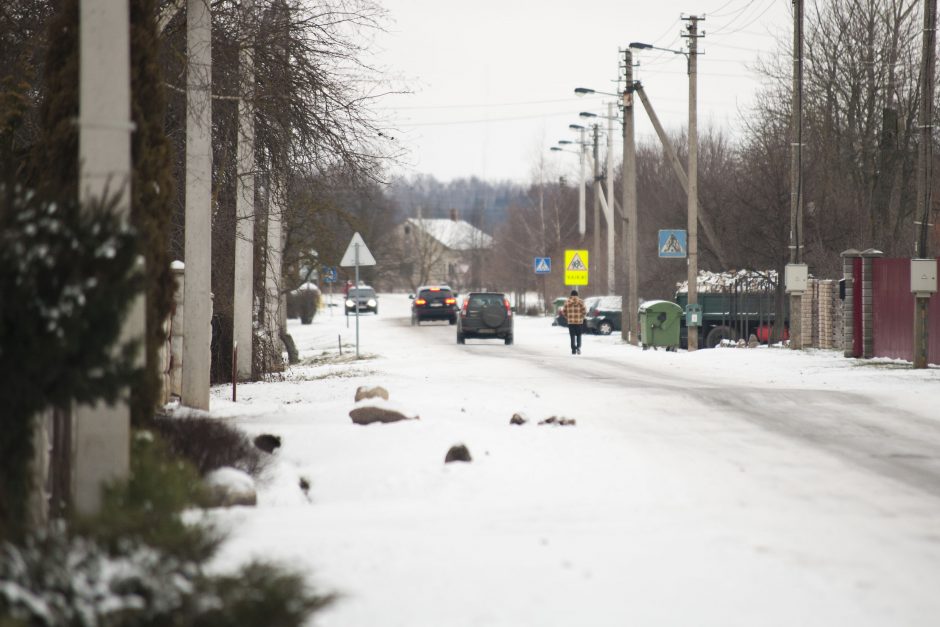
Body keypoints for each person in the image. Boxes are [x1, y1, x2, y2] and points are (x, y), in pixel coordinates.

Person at [563, 289, 586, 355]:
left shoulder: (567, 302)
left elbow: (564, 311)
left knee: (572, 335)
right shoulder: (581, 302)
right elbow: (584, 311)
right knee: (579, 335)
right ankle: (578, 347)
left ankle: (573, 349)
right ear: (577, 295)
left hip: (571, 322)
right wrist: (582, 317)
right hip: (579, 322)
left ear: (571, 295)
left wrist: (567, 317)